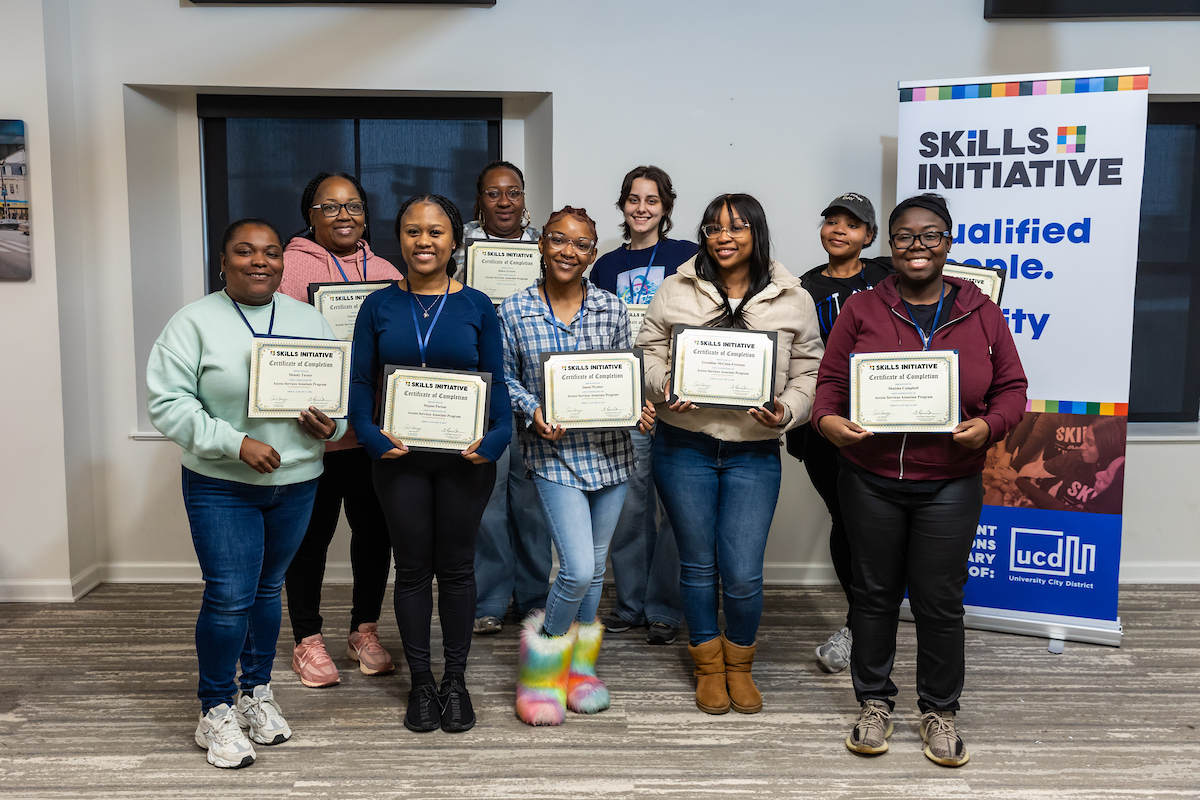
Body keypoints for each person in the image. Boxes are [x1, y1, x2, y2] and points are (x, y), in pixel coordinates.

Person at [812, 193, 1027, 767]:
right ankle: (875, 702)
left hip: (950, 481)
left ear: (948, 243)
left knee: (938, 600)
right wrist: (828, 422)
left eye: (929, 235)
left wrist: (991, 426)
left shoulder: (981, 311)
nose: (916, 246)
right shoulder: (861, 309)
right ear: (890, 244)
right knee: (874, 594)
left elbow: (1013, 387)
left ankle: (939, 710)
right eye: (905, 236)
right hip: (870, 475)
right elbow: (830, 382)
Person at [147, 218, 346, 769]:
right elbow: (168, 403)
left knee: (267, 590)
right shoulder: (193, 322)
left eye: (271, 252)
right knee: (230, 595)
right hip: (223, 484)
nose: (260, 261)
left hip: (298, 482)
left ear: (284, 261)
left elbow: (337, 397)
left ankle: (255, 694)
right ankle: (214, 708)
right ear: (223, 260)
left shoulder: (310, 320)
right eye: (245, 251)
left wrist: (329, 426)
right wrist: (236, 443)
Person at [638, 193, 823, 716]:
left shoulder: (793, 297)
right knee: (697, 565)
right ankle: (709, 667)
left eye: (737, 227)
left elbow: (811, 370)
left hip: (754, 451)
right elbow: (649, 349)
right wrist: (664, 385)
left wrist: (786, 410)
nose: (724, 236)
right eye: (714, 227)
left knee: (742, 571)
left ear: (756, 232)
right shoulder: (676, 287)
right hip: (682, 445)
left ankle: (740, 666)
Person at [349, 194, 511, 734]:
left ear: (454, 239)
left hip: (466, 459)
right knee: (414, 568)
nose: (424, 241)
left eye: (436, 231)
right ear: (400, 239)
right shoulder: (378, 306)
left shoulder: (478, 305)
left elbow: (498, 385)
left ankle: (455, 680)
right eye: (414, 231)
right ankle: (422, 682)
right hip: (398, 460)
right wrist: (370, 436)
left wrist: (496, 441)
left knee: (458, 568)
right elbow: (360, 383)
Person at [499, 206, 656, 727]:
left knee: (592, 574)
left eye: (582, 244)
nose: (570, 251)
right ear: (542, 244)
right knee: (579, 569)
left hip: (612, 455)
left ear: (593, 254)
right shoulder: (514, 311)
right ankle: (540, 674)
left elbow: (622, 375)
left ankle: (580, 672)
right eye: (560, 240)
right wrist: (533, 411)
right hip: (553, 455)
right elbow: (504, 380)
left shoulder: (612, 309)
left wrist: (639, 407)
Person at [277, 172, 404, 688]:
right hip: (314, 435)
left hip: (370, 433)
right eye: (330, 207)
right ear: (310, 214)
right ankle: (307, 639)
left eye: (352, 205)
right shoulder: (286, 269)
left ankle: (364, 630)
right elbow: (276, 351)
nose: (344, 215)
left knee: (374, 536)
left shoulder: (388, 271)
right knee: (310, 538)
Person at [590, 165, 697, 646]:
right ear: (623, 205)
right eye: (634, 199)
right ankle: (631, 605)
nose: (642, 208)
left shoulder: (688, 258)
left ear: (666, 207)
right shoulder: (605, 267)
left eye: (652, 200)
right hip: (624, 401)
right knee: (630, 511)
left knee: (674, 512)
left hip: (678, 401)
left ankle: (665, 610)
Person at [787, 192, 893, 673]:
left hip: (886, 423)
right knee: (846, 518)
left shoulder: (888, 277)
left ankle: (866, 622)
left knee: (873, 523)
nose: (838, 230)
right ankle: (860, 624)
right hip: (823, 425)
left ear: (868, 237)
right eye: (831, 221)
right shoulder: (800, 288)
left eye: (852, 224)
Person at [452, 160, 553, 635]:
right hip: (479, 387)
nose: (505, 201)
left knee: (533, 502)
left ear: (523, 197)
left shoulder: (544, 247)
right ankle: (490, 599)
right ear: (480, 200)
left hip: (535, 388)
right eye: (494, 194)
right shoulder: (459, 248)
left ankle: (535, 598)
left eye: (513, 192)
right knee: (487, 502)